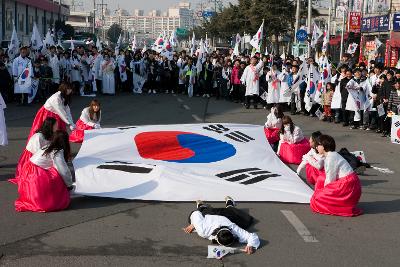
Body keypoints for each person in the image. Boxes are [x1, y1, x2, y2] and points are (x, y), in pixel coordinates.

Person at [15, 131, 73, 212]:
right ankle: (50, 199)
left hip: (27, 171)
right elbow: (63, 170)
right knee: (57, 176)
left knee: (54, 171)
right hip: (36, 175)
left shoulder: (47, 146)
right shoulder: (57, 151)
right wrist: (69, 185)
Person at [183, 196, 259, 254]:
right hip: (209, 215)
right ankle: (202, 206)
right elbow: (195, 213)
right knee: (199, 213)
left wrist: (250, 245)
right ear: (216, 238)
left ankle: (230, 205)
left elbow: (252, 237)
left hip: (226, 216)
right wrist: (194, 224)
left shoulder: (233, 228)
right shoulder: (202, 229)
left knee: (245, 221)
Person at [310, 135, 362, 216]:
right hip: (348, 182)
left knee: (316, 199)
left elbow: (330, 178)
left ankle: (333, 204)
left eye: (318, 145)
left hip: (347, 184)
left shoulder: (331, 157)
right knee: (320, 182)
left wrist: (324, 192)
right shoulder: (330, 155)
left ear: (324, 146)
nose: (316, 147)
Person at [10, 118, 57, 184]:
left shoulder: (50, 134)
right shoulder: (39, 136)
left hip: (41, 154)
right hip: (31, 157)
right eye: (56, 125)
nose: (57, 127)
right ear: (50, 126)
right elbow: (37, 152)